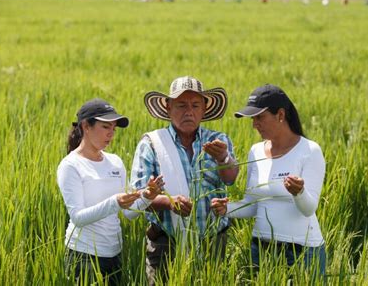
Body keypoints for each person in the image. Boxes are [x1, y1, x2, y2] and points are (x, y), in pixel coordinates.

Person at [130, 76, 239, 285]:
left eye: (195, 105)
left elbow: (230, 179)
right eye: (181, 105)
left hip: (212, 241)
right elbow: (137, 196)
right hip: (166, 242)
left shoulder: (218, 141)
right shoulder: (152, 144)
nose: (189, 111)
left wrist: (223, 158)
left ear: (204, 109)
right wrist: (169, 203)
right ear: (168, 108)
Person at [211, 84, 326, 277]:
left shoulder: (309, 151)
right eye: (253, 119)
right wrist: (226, 209)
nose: (254, 124)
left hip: (301, 251)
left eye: (259, 117)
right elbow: (252, 205)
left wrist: (299, 193)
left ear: (280, 115)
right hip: (261, 250)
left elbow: (309, 209)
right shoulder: (256, 151)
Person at [57, 98, 164, 285]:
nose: (111, 134)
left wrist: (148, 196)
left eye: (113, 129)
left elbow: (129, 213)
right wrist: (114, 202)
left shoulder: (115, 162)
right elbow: (78, 217)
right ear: (85, 126)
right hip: (84, 256)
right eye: (105, 127)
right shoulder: (71, 165)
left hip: (114, 254)